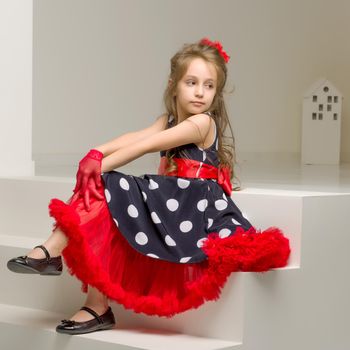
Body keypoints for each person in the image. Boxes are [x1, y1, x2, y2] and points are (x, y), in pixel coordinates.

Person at [7, 37, 291, 335]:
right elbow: (134, 137)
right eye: (191, 82)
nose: (199, 92)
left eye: (209, 86)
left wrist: (98, 168)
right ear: (174, 84)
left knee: (107, 184)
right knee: (107, 207)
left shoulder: (202, 123)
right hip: (170, 202)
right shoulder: (168, 119)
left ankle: (52, 253)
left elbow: (147, 145)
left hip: (191, 209)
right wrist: (95, 152)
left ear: (217, 93)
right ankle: (95, 304)